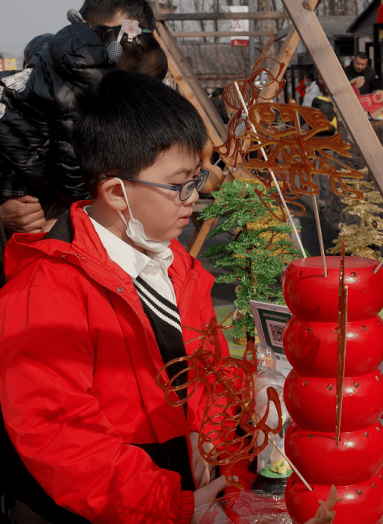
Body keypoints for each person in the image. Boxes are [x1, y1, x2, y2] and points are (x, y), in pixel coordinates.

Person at [0, 70, 230, 523]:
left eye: (197, 178)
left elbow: (210, 371)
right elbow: (58, 436)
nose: (193, 197)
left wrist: (219, 443)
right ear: (115, 192)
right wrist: (168, 504)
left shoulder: (174, 262)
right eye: (180, 184)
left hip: (189, 485)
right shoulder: (47, 290)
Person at [0, 0, 165, 237]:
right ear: (86, 28)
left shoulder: (65, 68)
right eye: (117, 40)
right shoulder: (75, 89)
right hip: (28, 200)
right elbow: (70, 174)